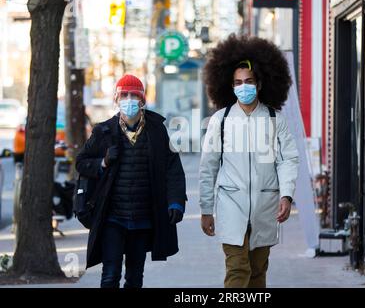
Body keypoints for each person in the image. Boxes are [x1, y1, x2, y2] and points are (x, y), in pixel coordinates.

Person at [199, 35, 299, 288]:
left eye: (248, 81)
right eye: (237, 83)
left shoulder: (275, 120)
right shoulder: (220, 121)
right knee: (237, 269)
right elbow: (208, 167)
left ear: (260, 83)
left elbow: (288, 159)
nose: (243, 87)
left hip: (266, 207)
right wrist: (206, 209)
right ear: (229, 86)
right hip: (231, 205)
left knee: (257, 271)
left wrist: (286, 195)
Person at [76, 74, 187, 288]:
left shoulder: (157, 130)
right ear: (117, 99)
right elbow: (81, 162)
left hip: (143, 218)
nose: (129, 99)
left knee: (135, 277)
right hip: (112, 218)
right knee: (110, 275)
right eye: (124, 95)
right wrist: (103, 162)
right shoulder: (103, 131)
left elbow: (173, 168)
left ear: (142, 100)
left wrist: (175, 202)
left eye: (133, 95)